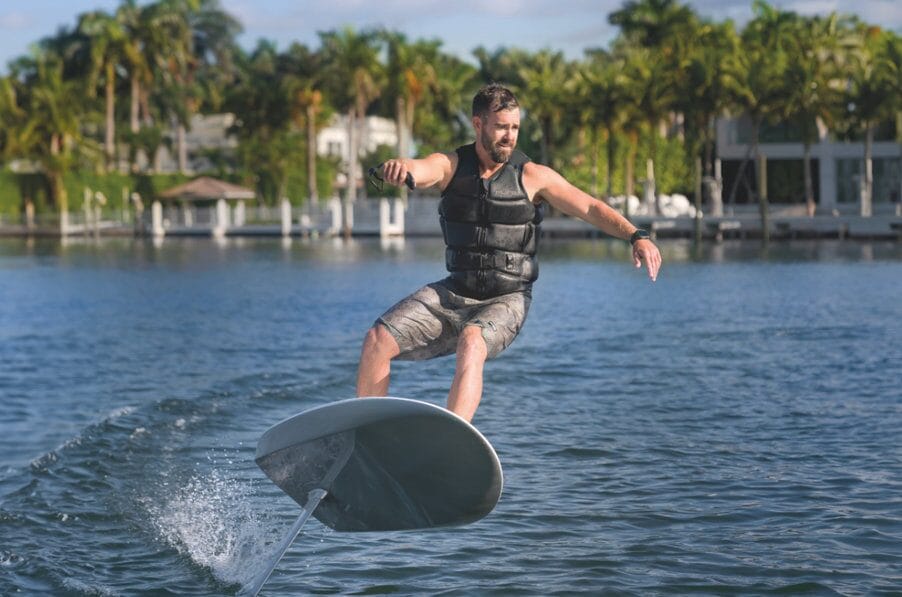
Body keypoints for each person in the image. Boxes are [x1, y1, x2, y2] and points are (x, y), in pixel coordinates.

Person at [356, 84, 662, 422]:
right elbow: (423, 167)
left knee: (472, 342)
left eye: (515, 128)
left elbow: (589, 206)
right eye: (501, 126)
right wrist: (401, 167)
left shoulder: (533, 177)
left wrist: (636, 235)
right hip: (455, 291)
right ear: (478, 124)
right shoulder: (451, 165)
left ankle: (451, 438)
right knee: (377, 338)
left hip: (507, 300)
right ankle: (368, 429)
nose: (509, 136)